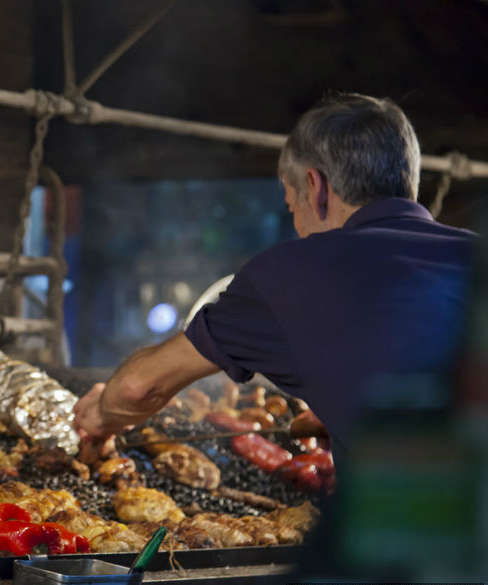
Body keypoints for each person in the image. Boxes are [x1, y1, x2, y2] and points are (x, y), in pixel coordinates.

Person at [73, 93, 477, 460]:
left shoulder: (294, 273)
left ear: (315, 187)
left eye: (291, 205)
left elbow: (140, 387)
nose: (298, 227)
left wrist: (99, 415)